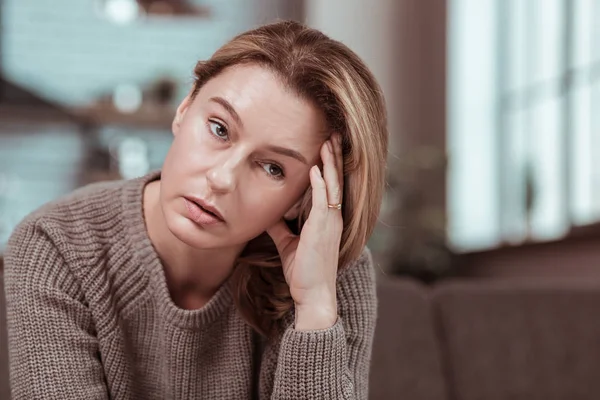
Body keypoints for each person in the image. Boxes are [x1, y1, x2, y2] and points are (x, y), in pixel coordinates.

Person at [4, 20, 388, 399]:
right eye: (219, 129)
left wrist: (316, 310)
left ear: (305, 197)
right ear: (184, 108)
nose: (222, 178)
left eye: (273, 168)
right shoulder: (54, 247)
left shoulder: (329, 274)